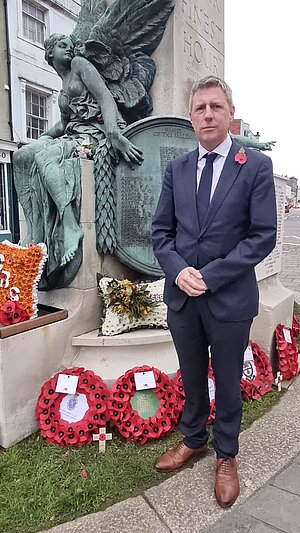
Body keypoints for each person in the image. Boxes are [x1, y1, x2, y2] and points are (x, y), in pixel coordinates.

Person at [152, 75, 277, 508]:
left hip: (228, 298)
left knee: (226, 381)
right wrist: (179, 270)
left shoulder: (255, 166)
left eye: (216, 106)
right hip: (183, 297)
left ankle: (226, 455)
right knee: (190, 375)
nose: (208, 113)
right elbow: (161, 234)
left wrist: (212, 274)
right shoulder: (177, 169)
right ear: (191, 117)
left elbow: (262, 236)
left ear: (230, 114)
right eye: (200, 107)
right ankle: (193, 440)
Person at [13, 34, 142, 289]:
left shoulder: (80, 65)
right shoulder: (62, 85)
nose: (70, 50)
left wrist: (114, 133)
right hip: (74, 135)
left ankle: (72, 227)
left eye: (71, 46)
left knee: (45, 155)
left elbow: (104, 96)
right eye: (63, 46)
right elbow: (64, 124)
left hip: (97, 134)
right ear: (49, 53)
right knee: (20, 156)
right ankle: (35, 231)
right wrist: (43, 137)